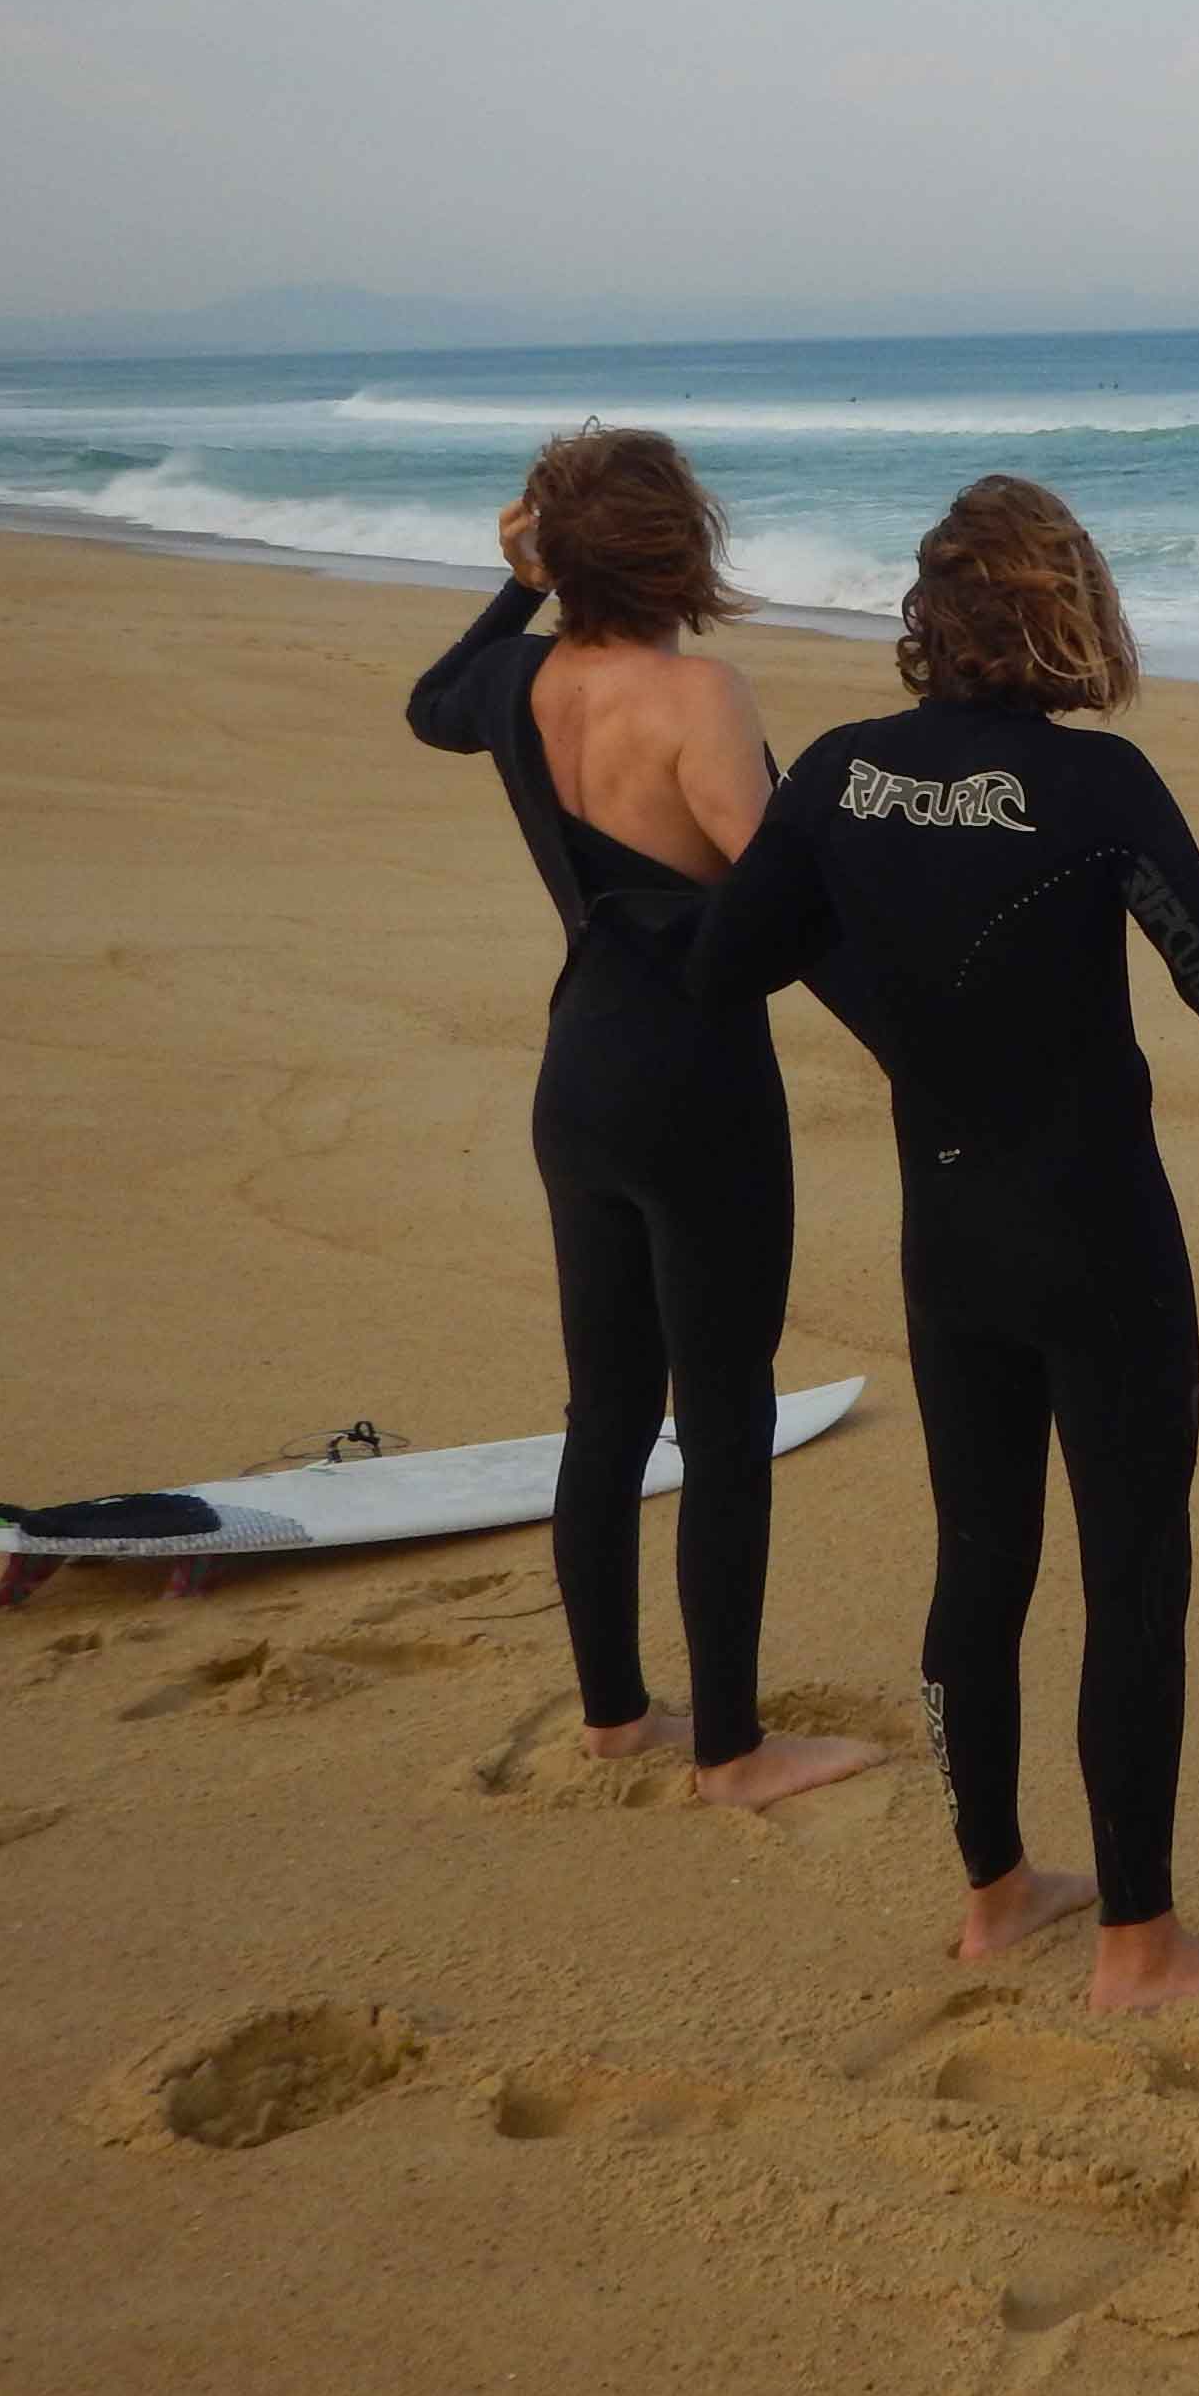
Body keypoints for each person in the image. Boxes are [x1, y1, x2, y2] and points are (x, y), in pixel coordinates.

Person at [692, 474, 1199, 2011]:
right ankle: (1141, 1946)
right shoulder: (1096, 787)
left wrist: (905, 1012)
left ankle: (995, 1895)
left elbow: (727, 961)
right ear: (1068, 609)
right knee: (1133, 1574)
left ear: (932, 618)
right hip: (1099, 1239)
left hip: (948, 1238)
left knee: (979, 1560)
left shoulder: (835, 775)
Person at [406, 428, 879, 1812]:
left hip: (579, 1074)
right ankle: (732, 1750)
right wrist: (916, 1050)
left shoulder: (517, 678)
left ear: (560, 551)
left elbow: (430, 702)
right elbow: (779, 902)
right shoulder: (699, 694)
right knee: (724, 1412)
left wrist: (514, 589)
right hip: (698, 1084)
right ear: (684, 548)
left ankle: (615, 1716)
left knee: (605, 1408)